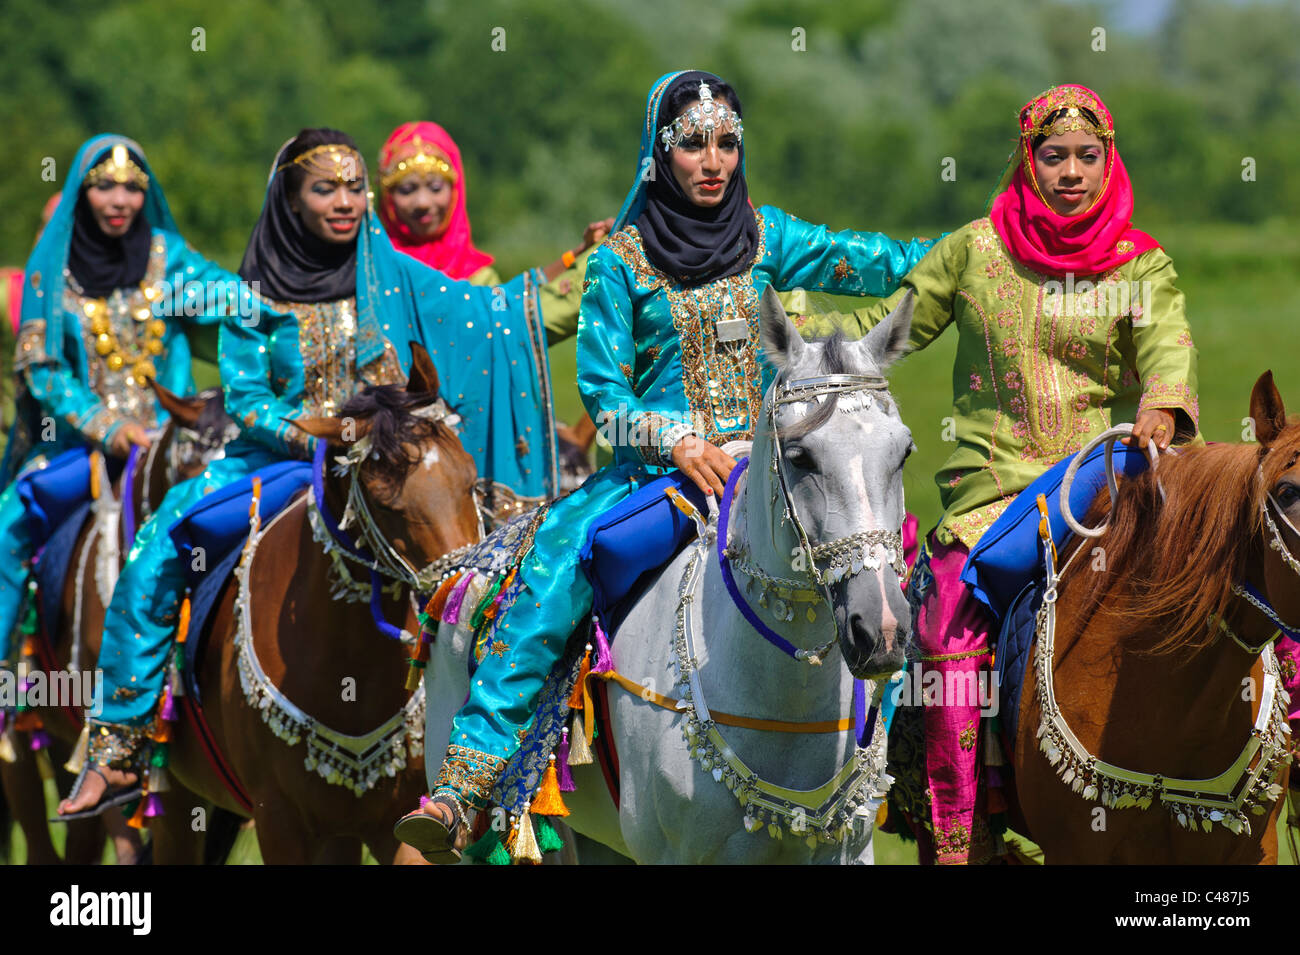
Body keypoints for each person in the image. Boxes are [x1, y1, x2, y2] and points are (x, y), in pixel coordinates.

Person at [396, 69, 935, 862]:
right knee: (556, 569)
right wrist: (675, 440)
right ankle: (462, 788)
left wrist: (981, 250)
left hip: (770, 470)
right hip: (659, 479)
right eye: (692, 144)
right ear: (660, 154)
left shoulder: (767, 235)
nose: (712, 160)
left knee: (878, 558)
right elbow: (601, 391)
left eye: (726, 143)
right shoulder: (620, 263)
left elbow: (883, 261)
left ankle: (907, 774)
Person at [57, 128, 569, 815]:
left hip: (382, 462)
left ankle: (507, 747)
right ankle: (121, 744)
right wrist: (312, 438)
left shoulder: (391, 271)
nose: (347, 202)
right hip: (276, 464)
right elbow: (243, 396)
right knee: (156, 545)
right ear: (290, 199)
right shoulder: (251, 292)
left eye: (356, 188)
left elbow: (488, 312)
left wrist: (591, 258)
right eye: (325, 189)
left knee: (484, 548)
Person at [797, 84, 1200, 864]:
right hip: (994, 492)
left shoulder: (1138, 263)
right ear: (1028, 161)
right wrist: (787, 319)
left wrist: (1164, 403)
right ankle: (958, 837)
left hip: (1109, 473)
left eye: (1088, 157)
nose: (1071, 173)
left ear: (1109, 161)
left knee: (1232, 569)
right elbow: (886, 328)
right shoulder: (976, 251)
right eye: (1054, 157)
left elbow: (1168, 347)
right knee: (947, 622)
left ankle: (1255, 765)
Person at [0, 137, 234, 675]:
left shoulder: (166, 256)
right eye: (106, 186)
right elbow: (42, 368)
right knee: (13, 522)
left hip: (176, 442)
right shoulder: (50, 271)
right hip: (85, 450)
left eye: (133, 188)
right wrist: (111, 429)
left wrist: (275, 298)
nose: (121, 200)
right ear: (82, 193)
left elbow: (227, 294)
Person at [376, 121, 610, 472]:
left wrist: (597, 258)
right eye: (407, 189)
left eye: (435, 187)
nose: (423, 203)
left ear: (455, 191)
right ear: (386, 197)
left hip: (475, 445)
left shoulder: (478, 276)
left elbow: (516, 313)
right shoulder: (372, 272)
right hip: (391, 441)